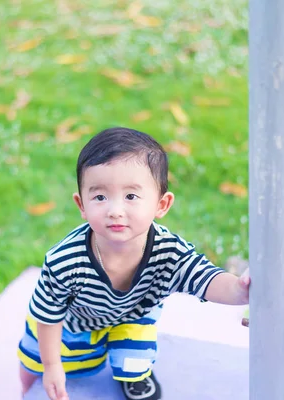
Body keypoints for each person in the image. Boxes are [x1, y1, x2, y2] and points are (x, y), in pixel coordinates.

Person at [17, 127, 250, 400]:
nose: (115, 210)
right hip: (76, 321)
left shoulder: (168, 252)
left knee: (134, 361)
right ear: (81, 205)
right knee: (34, 355)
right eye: (100, 197)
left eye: (131, 196)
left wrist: (240, 289)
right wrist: (51, 366)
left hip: (133, 316)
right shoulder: (65, 260)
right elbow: (47, 315)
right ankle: (24, 388)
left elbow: (206, 280)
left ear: (161, 205)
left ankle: (133, 372)